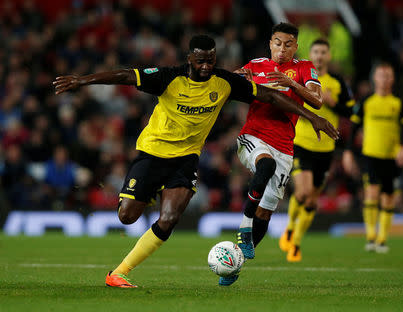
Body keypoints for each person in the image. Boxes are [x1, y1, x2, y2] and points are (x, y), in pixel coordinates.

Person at [53, 34, 339, 288]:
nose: (206, 67)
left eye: (210, 61)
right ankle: (145, 193)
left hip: (186, 159)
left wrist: (314, 117)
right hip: (153, 152)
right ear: (190, 58)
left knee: (170, 218)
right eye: (201, 61)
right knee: (127, 216)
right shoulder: (168, 77)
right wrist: (83, 80)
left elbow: (270, 96)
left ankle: (119, 273)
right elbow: (127, 76)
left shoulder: (224, 81)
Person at [227, 23, 327, 285]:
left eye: (288, 44)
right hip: (254, 136)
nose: (281, 49)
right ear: (270, 43)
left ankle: (234, 263)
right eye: (277, 43)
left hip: (285, 145)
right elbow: (232, 83)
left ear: (296, 46)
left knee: (266, 213)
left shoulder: (305, 68)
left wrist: (290, 82)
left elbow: (317, 100)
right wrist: (238, 78)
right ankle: (244, 227)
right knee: (265, 165)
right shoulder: (256, 65)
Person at [278, 39, 354, 262]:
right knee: (302, 192)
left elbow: (351, 112)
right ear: (310, 55)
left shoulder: (338, 82)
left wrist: (331, 102)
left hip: (326, 148)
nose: (320, 56)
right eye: (316, 52)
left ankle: (296, 242)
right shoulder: (301, 75)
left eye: (323, 52)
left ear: (329, 56)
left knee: (312, 201)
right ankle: (290, 228)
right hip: (301, 142)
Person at [342, 62, 403, 253]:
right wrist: (348, 152)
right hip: (370, 154)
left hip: (391, 156)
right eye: (381, 75)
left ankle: (382, 239)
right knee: (372, 192)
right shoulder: (366, 101)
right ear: (375, 78)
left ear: (393, 79)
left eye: (388, 75)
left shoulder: (398, 102)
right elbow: (354, 128)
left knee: (388, 197)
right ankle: (371, 236)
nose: (384, 79)